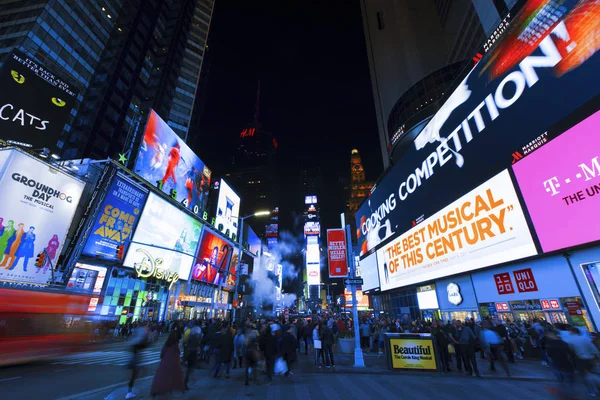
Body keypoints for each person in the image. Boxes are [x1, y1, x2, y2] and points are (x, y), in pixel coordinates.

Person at [150, 331, 185, 397]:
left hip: (164, 363)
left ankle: (157, 390)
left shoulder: (167, 343)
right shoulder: (175, 345)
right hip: (173, 364)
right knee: (171, 379)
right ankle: (168, 390)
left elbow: (162, 353)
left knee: (160, 377)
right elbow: (177, 355)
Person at [568, 327, 600, 396]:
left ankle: (591, 391)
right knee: (594, 373)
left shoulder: (569, 340)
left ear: (572, 331)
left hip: (579, 360)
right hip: (591, 359)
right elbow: (594, 349)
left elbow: (570, 352)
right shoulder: (585, 339)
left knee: (585, 376)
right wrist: (598, 358)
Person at [126, 322, 150, 399]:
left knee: (134, 376)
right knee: (134, 376)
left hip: (135, 360)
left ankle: (129, 392)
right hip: (136, 361)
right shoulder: (139, 342)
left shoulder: (135, 340)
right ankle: (129, 393)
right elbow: (144, 345)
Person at [183, 323, 201, 389]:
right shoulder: (196, 337)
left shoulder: (190, 335)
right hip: (192, 354)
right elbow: (198, 346)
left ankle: (186, 381)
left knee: (188, 369)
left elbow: (186, 343)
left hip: (189, 353)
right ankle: (186, 382)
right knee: (189, 369)